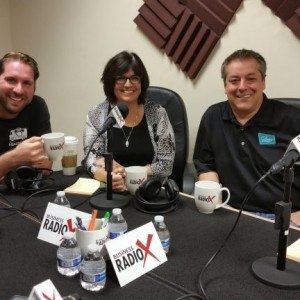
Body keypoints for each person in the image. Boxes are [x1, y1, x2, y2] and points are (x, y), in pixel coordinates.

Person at [193, 49, 300, 226]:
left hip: (286, 219)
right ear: (225, 86)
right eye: (234, 80)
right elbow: (206, 165)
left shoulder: (293, 119)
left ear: (263, 81)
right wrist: (215, 201)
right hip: (231, 213)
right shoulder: (213, 117)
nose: (242, 87)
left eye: (251, 79)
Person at [83, 51, 175, 192]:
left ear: (142, 82)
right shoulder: (97, 114)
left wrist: (127, 172)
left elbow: (166, 165)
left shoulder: (157, 114)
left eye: (134, 78)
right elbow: (91, 160)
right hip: (112, 192)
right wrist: (110, 178)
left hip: (149, 193)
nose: (128, 84)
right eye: (120, 78)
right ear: (111, 82)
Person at [0, 52, 52, 182]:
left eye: (27, 83)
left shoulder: (36, 105)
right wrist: (14, 159)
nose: (19, 90)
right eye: (11, 80)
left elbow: (45, 168)